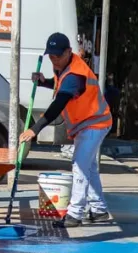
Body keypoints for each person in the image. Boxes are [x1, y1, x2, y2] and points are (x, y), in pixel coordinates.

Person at [19, 32, 112, 228]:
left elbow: (59, 103)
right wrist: (44, 82)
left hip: (94, 123)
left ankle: (74, 214)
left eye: (58, 56)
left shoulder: (76, 73)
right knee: (89, 167)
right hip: (87, 123)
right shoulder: (65, 67)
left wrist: (35, 129)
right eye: (51, 57)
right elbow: (61, 86)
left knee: (79, 166)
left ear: (68, 52)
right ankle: (99, 210)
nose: (54, 61)